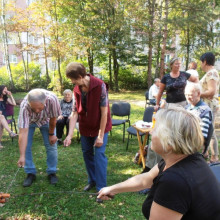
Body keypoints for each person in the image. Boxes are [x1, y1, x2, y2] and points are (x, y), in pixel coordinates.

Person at [98, 108, 220, 219]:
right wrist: (112, 189)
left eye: (156, 129)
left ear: (170, 142)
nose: (150, 132)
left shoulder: (175, 181)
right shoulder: (186, 158)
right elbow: (146, 179)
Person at [63, 62, 112, 202]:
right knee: (87, 154)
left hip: (100, 127)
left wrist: (100, 136)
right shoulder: (76, 89)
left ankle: (102, 189)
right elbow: (74, 113)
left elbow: (104, 114)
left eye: (73, 79)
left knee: (99, 155)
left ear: (80, 76)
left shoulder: (100, 86)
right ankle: (93, 180)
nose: (72, 82)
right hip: (85, 128)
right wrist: (69, 135)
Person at [17, 89, 61, 187]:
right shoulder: (24, 106)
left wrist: (51, 134)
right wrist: (22, 155)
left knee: (51, 146)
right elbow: (23, 132)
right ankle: (30, 172)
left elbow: (53, 118)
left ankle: (52, 172)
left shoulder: (52, 100)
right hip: (30, 122)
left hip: (47, 121)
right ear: (29, 104)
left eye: (40, 109)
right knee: (26, 147)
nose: (37, 111)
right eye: (34, 108)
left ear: (45, 102)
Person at [200, 52, 219, 163]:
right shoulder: (210, 73)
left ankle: (214, 157)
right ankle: (205, 153)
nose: (201, 65)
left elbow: (212, 91)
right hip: (206, 106)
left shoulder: (211, 73)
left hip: (209, 106)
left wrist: (198, 94)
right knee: (206, 130)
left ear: (205, 61)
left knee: (210, 132)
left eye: (201, 62)